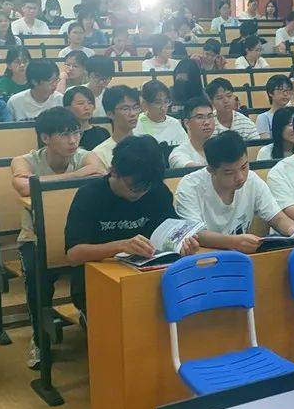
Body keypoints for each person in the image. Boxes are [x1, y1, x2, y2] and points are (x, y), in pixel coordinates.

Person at [11, 107, 105, 368]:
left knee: (93, 270)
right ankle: (38, 338)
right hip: (36, 238)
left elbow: (98, 173)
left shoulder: (87, 155)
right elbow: (22, 185)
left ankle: (90, 320)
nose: (73, 140)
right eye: (64, 135)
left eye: (75, 132)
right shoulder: (25, 160)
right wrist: (77, 177)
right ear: (45, 138)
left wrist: (43, 183)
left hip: (79, 236)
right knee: (36, 277)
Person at [65, 135, 197, 319]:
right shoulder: (90, 195)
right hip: (97, 282)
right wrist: (120, 246)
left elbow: (169, 230)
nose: (141, 193)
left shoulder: (156, 190)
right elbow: (73, 255)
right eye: (134, 188)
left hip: (148, 277)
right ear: (114, 171)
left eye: (147, 187)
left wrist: (183, 244)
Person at [174, 130, 294, 252]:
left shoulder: (252, 180)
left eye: (244, 167)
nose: (240, 177)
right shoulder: (190, 186)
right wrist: (233, 242)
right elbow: (196, 234)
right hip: (206, 260)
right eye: (229, 172)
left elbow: (276, 218)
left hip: (242, 259)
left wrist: (292, 229)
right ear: (211, 170)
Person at [91, 85, 141, 169]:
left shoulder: (145, 145)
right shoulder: (100, 154)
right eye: (125, 109)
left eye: (136, 107)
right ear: (110, 114)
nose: (132, 113)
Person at [135, 79, 188, 146]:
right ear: (145, 104)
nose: (163, 107)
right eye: (157, 102)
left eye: (166, 102)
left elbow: (186, 149)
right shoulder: (137, 123)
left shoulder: (174, 123)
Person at [168, 97, 216, 168]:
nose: (207, 122)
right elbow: (191, 169)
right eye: (200, 117)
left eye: (210, 116)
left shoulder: (222, 147)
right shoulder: (178, 153)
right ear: (187, 123)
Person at [63, 85, 110, 150]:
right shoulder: (63, 135)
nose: (87, 107)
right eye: (81, 103)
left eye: (90, 103)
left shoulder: (103, 133)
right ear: (67, 108)